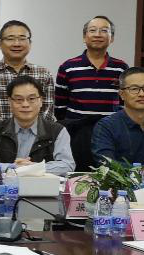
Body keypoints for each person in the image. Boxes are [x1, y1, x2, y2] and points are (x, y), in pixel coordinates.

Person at [54, 16, 129, 171]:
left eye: (104, 30)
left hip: (110, 133)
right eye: (93, 30)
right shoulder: (68, 67)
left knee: (110, 174)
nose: (98, 34)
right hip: (77, 133)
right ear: (84, 37)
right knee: (78, 175)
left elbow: (125, 103)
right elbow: (60, 107)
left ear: (112, 38)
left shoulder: (121, 68)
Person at [0, 76, 74, 176]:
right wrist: (12, 167)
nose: (25, 104)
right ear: (10, 102)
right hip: (6, 184)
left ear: (41, 101)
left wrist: (33, 168)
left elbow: (67, 165)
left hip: (41, 185)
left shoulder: (57, 131)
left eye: (31, 98)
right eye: (19, 99)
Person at [0, 20, 55, 121]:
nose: (16, 44)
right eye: (10, 39)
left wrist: (33, 129)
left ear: (30, 43)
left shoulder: (44, 74)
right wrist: (10, 129)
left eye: (22, 38)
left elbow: (48, 110)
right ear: (0, 44)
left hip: (38, 131)